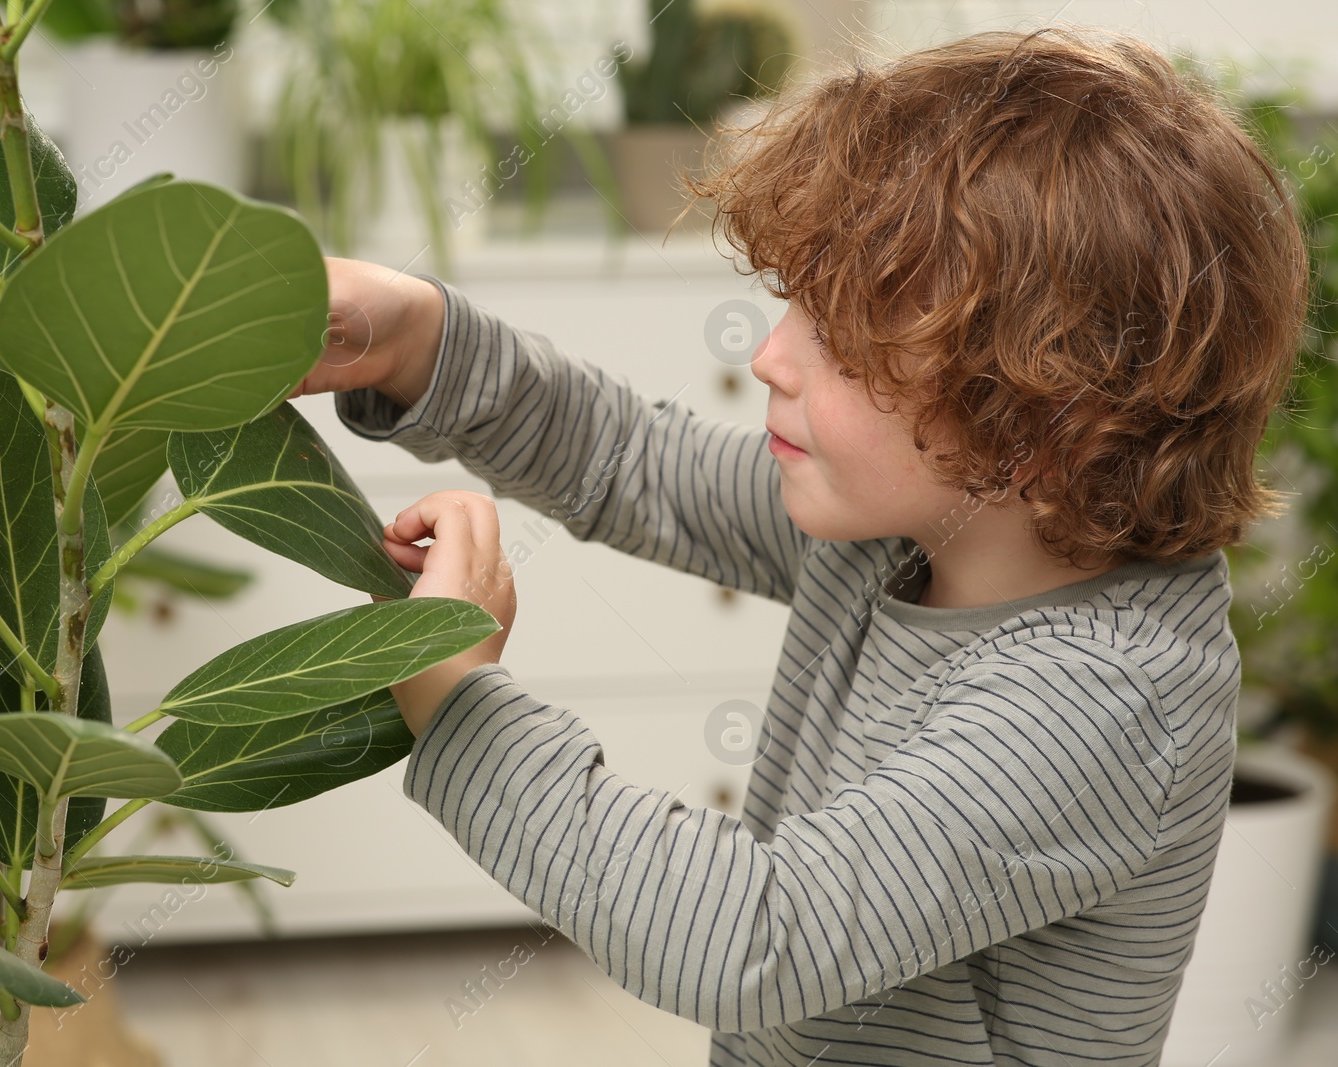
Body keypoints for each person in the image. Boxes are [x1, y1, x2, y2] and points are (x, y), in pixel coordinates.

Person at [287, 25, 1309, 1066]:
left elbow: (753, 938)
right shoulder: (906, 534)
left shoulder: (1099, 693)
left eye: (843, 338)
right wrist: (423, 343)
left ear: (1043, 416)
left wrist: (461, 703)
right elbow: (632, 459)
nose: (771, 356)